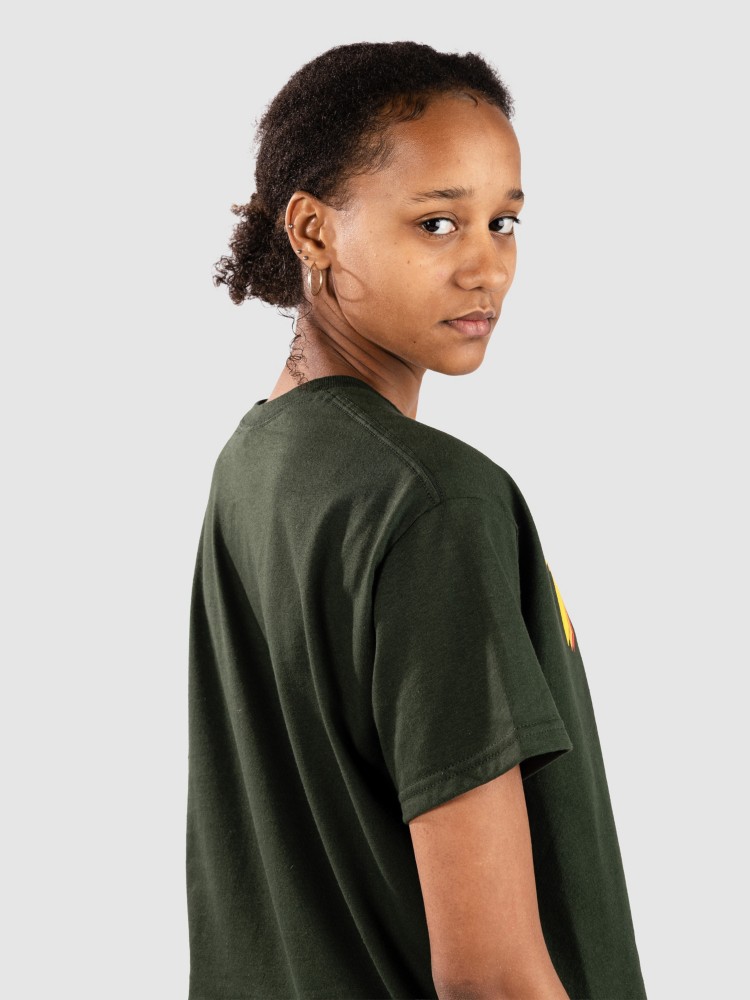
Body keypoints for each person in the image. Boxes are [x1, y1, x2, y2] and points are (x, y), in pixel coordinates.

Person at [186, 41, 648, 1000]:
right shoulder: (434, 502)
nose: (488, 267)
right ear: (312, 230)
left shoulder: (253, 464)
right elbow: (491, 977)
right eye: (438, 222)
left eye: (504, 221)